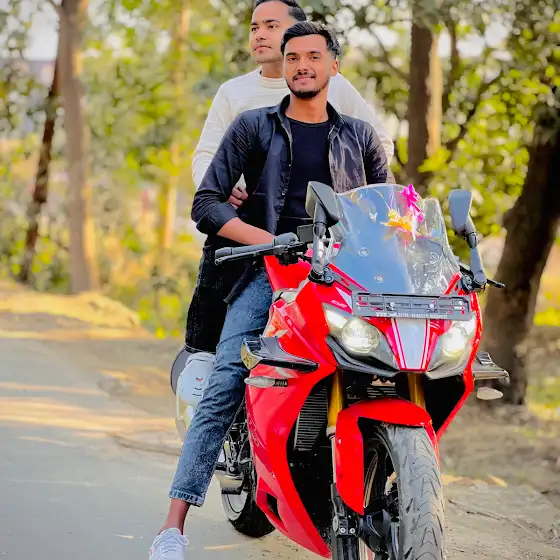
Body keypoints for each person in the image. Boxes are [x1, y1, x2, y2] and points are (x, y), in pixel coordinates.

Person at [149, 22, 389, 559]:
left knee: (379, 369)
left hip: (341, 274)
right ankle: (173, 526)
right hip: (268, 270)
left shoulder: (360, 136)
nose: (303, 66)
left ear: (333, 67)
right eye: (293, 57)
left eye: (314, 56)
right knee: (228, 379)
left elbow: (383, 211)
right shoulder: (254, 126)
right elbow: (207, 204)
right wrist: (269, 242)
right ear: (284, 68)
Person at [184, 0, 394, 360]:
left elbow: (378, 147)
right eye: (254, 27)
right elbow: (206, 162)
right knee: (229, 359)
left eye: (271, 26)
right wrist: (225, 188)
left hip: (335, 255)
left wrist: (349, 203)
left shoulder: (335, 89)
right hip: (256, 246)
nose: (260, 34)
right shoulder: (236, 96)